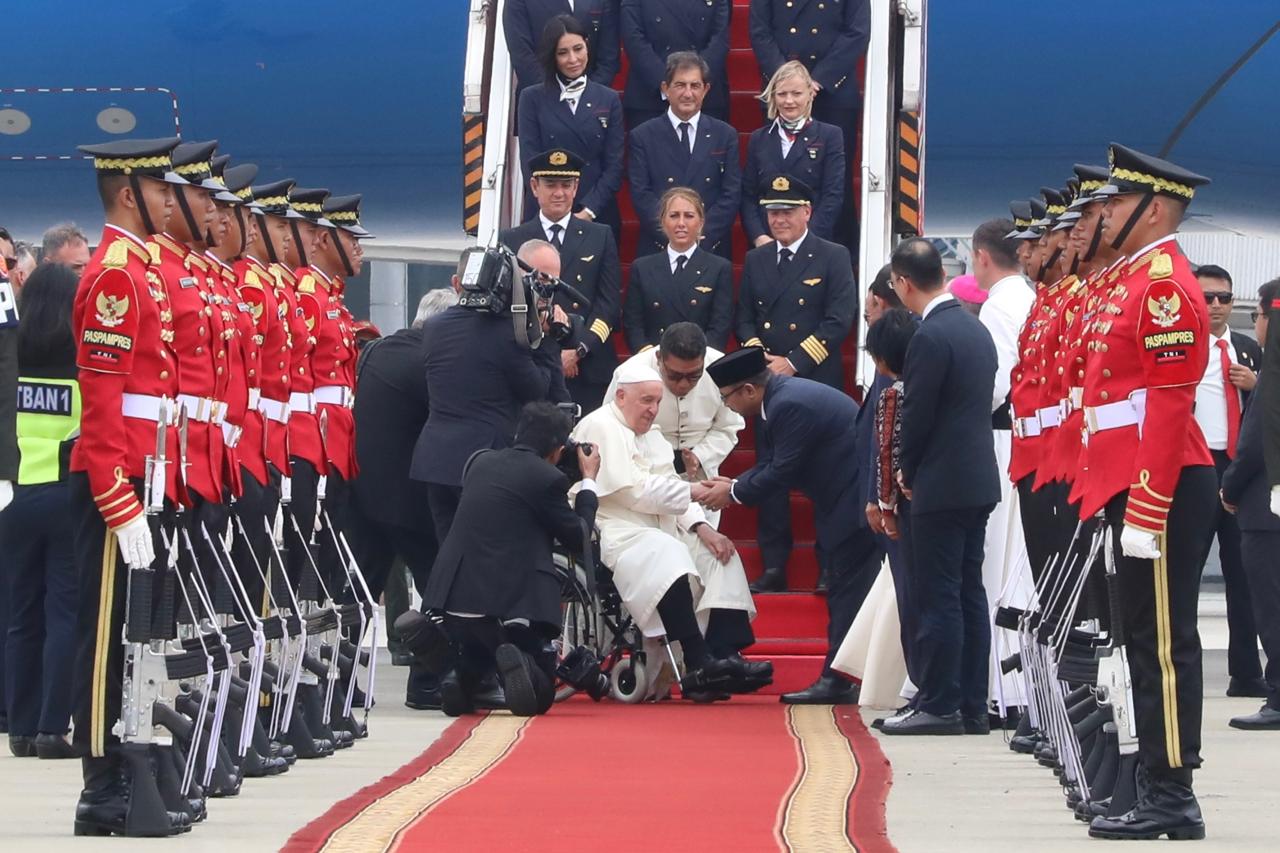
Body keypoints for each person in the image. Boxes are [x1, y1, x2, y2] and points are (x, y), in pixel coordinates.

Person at [1079, 144, 1215, 841]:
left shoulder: (1162, 283)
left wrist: (1147, 505)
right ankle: (1151, 782)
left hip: (1157, 485)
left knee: (1161, 644)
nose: (1102, 212)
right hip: (1129, 480)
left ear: (1153, 208)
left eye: (1115, 201)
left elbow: (1167, 405)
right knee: (1138, 641)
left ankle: (1172, 793)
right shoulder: (1131, 279)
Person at [68, 136, 192, 837]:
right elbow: (104, 397)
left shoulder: (141, 270)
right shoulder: (116, 273)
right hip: (119, 475)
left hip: (150, 468)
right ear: (127, 194)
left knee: (137, 634)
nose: (172, 202)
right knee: (107, 637)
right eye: (161, 190)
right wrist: (117, 497)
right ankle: (99, 778)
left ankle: (128, 757)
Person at [571, 361, 767, 698]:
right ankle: (698, 659)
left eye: (657, 402)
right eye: (646, 401)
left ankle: (724, 655)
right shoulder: (599, 425)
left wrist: (703, 527)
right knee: (668, 552)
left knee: (718, 555)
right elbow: (634, 491)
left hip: (658, 526)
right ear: (620, 396)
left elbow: (669, 485)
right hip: (614, 528)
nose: (653, 410)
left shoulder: (653, 436)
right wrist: (694, 491)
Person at [701, 347, 879, 704]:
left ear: (749, 390)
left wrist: (732, 491)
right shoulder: (782, 399)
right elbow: (775, 465)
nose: (728, 406)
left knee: (846, 592)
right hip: (842, 498)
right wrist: (734, 483)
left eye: (727, 397)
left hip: (853, 502)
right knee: (847, 591)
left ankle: (840, 679)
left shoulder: (788, 406)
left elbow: (783, 470)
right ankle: (845, 675)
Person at [879, 237, 1000, 736]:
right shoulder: (975, 328)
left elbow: (918, 414)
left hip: (941, 484)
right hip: (977, 478)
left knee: (937, 596)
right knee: (969, 592)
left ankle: (939, 701)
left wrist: (905, 471)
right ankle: (971, 703)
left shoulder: (929, 336)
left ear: (904, 283)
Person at [413, 403, 601, 717]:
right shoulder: (547, 478)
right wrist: (589, 480)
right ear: (557, 448)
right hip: (508, 602)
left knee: (477, 653)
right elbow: (577, 535)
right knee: (539, 695)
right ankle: (522, 661)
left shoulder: (479, 461)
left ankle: (456, 676)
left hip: (452, 595)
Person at [735, 174, 855, 592]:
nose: (779, 219)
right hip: (768, 385)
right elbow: (745, 316)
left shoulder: (833, 255)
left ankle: (830, 564)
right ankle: (773, 565)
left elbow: (840, 318)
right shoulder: (757, 260)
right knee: (770, 474)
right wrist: (760, 361)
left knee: (826, 478)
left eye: (787, 211)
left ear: (808, 211)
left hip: (815, 382)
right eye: (772, 211)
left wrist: (794, 361)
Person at [411, 239, 570, 550]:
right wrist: (547, 340)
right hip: (483, 464)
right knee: (485, 558)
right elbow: (538, 391)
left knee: (448, 557)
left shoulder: (435, 326)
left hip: (435, 460)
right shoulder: (508, 333)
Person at [2, 262, 82, 760]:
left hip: (20, 496)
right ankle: (54, 727)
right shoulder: (80, 362)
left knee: (21, 615)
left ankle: (21, 725)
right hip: (65, 493)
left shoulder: (19, 360)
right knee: (64, 614)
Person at [350, 289, 455, 631]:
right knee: (442, 596)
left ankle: (343, 674)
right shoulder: (432, 361)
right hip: (410, 501)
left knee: (359, 596)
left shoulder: (378, 351)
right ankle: (436, 675)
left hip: (363, 493)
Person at [1189, 264, 1265, 698]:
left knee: (1243, 574)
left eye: (1224, 298)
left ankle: (1246, 671)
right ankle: (1188, 666)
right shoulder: (1183, 346)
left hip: (1237, 468)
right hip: (1197, 467)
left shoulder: (1247, 350)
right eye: (1207, 297)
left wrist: (1253, 386)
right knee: (1188, 571)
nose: (1215, 306)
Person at [500, 148, 621, 414]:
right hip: (532, 365)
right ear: (534, 186)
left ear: (576, 187)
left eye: (566, 185)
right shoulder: (512, 239)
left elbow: (608, 304)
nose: (559, 193)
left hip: (587, 365)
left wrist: (579, 349)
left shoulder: (599, 236)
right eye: (550, 185)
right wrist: (549, 354)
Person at [972, 218, 1035, 720]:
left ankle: (1000, 686)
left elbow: (995, 382)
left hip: (1001, 436)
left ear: (981, 257)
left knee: (998, 562)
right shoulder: (1030, 296)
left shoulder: (998, 306)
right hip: (1027, 435)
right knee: (1021, 564)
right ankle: (1015, 686)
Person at [749, 0, 870, 252]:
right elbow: (760, 30)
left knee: (837, 182)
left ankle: (836, 251)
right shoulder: (787, 95)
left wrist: (817, 80)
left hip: (833, 90)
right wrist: (788, 82)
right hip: (783, 90)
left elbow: (857, 30)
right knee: (777, 177)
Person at [605, 322, 744, 528]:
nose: (683, 384)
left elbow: (729, 426)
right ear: (659, 358)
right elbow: (614, 428)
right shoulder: (629, 374)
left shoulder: (722, 369)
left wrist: (701, 455)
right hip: (648, 477)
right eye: (674, 376)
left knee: (702, 548)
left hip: (702, 474)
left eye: (694, 376)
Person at [1221, 277, 1280, 730]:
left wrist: (1230, 487)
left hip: (1266, 509)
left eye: (1257, 314)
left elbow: (1255, 441)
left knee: (1271, 605)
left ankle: (1278, 697)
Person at [517, 14, 625, 237]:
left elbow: (614, 166)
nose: (573, 59)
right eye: (563, 53)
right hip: (546, 214)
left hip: (596, 214)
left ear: (587, 46)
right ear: (552, 57)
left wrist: (588, 211)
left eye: (578, 48)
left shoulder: (609, 99)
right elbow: (530, 160)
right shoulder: (532, 98)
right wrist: (556, 209)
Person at [627, 51, 741, 260]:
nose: (688, 93)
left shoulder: (725, 135)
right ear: (665, 89)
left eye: (695, 85)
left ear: (706, 90)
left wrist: (699, 236)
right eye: (680, 85)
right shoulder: (642, 136)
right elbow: (641, 195)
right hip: (659, 248)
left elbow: (730, 193)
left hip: (709, 248)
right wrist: (674, 236)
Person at [741, 61, 846, 247]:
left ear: (810, 94)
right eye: (782, 94)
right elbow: (749, 194)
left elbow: (833, 195)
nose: (789, 101)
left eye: (796, 94)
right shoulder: (759, 138)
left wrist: (806, 240)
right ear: (773, 96)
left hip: (813, 244)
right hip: (767, 243)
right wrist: (759, 236)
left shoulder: (830, 135)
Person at [622, 188, 734, 351]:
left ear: (701, 222)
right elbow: (633, 324)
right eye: (674, 216)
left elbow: (720, 327)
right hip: (654, 362)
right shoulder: (642, 267)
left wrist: (693, 360)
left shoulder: (719, 268)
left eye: (689, 216)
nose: (681, 223)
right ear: (662, 221)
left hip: (699, 363)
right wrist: (652, 358)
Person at [619, 0, 731, 128]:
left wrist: (696, 82)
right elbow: (633, 38)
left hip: (703, 99)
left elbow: (720, 39)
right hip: (650, 96)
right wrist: (666, 83)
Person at [505, 0, 621, 96]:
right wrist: (554, 94)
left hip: (592, 104)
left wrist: (586, 94)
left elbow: (609, 56)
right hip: (540, 101)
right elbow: (521, 53)